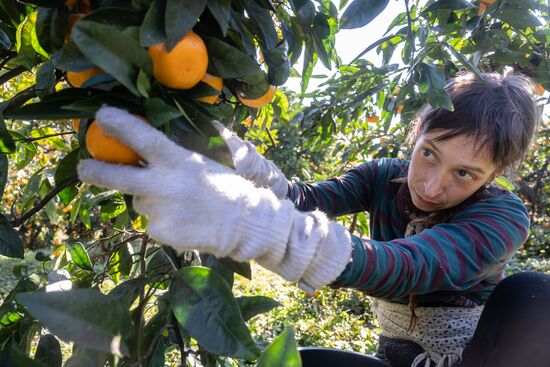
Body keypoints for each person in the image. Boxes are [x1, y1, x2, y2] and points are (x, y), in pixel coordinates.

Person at [78, 72, 549, 367]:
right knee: (298, 363)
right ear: (417, 133)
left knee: (534, 297)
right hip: (397, 358)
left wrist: (261, 228)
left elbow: (412, 265)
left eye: (464, 174)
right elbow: (307, 200)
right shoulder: (385, 178)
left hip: (471, 358)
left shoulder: (500, 215)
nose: (430, 186)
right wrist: (238, 160)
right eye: (429, 154)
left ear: (495, 175)